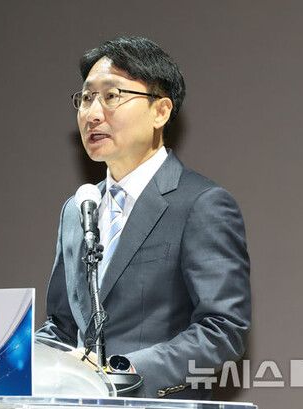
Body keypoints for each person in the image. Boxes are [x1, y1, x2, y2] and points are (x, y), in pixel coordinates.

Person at [36, 36, 251, 399]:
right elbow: (61, 326)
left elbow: (223, 329)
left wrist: (120, 372)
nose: (92, 113)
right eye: (86, 98)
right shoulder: (79, 209)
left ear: (160, 112)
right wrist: (12, 359)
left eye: (112, 96)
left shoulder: (201, 204)